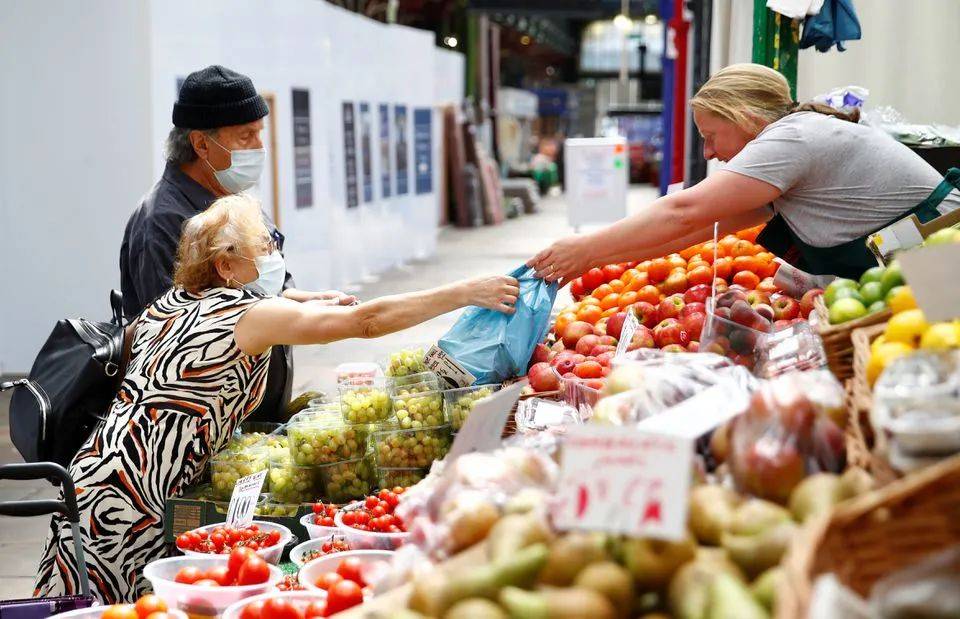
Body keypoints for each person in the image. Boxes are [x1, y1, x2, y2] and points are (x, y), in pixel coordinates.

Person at [35, 195, 519, 603]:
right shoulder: (245, 314)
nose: (273, 255)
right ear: (225, 265)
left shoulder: (171, 304)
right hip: (137, 492)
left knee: (75, 598)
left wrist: (312, 301)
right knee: (118, 604)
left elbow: (270, 307)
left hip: (95, 475)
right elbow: (366, 323)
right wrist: (464, 291)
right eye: (264, 246)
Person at [529, 63, 960, 282]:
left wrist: (585, 248)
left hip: (943, 258)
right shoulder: (793, 143)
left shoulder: (791, 139)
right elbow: (699, 229)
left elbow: (684, 210)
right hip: (924, 262)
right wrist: (589, 261)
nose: (710, 152)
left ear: (746, 117)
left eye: (711, 135)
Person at [120, 65, 345, 422]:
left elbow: (264, 288)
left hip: (255, 417)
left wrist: (311, 302)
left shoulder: (235, 202)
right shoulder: (163, 222)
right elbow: (176, 338)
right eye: (245, 136)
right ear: (201, 144)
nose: (259, 147)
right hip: (203, 429)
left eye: (260, 134)